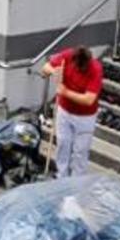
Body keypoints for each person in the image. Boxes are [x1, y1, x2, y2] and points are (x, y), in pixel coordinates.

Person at [40, 46, 103, 178]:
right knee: (63, 145)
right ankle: (61, 178)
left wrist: (65, 92)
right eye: (78, 67)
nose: (80, 70)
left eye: (83, 68)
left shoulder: (95, 68)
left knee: (80, 152)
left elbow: (89, 99)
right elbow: (45, 69)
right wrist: (53, 71)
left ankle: (76, 185)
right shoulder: (67, 56)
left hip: (85, 117)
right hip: (65, 112)